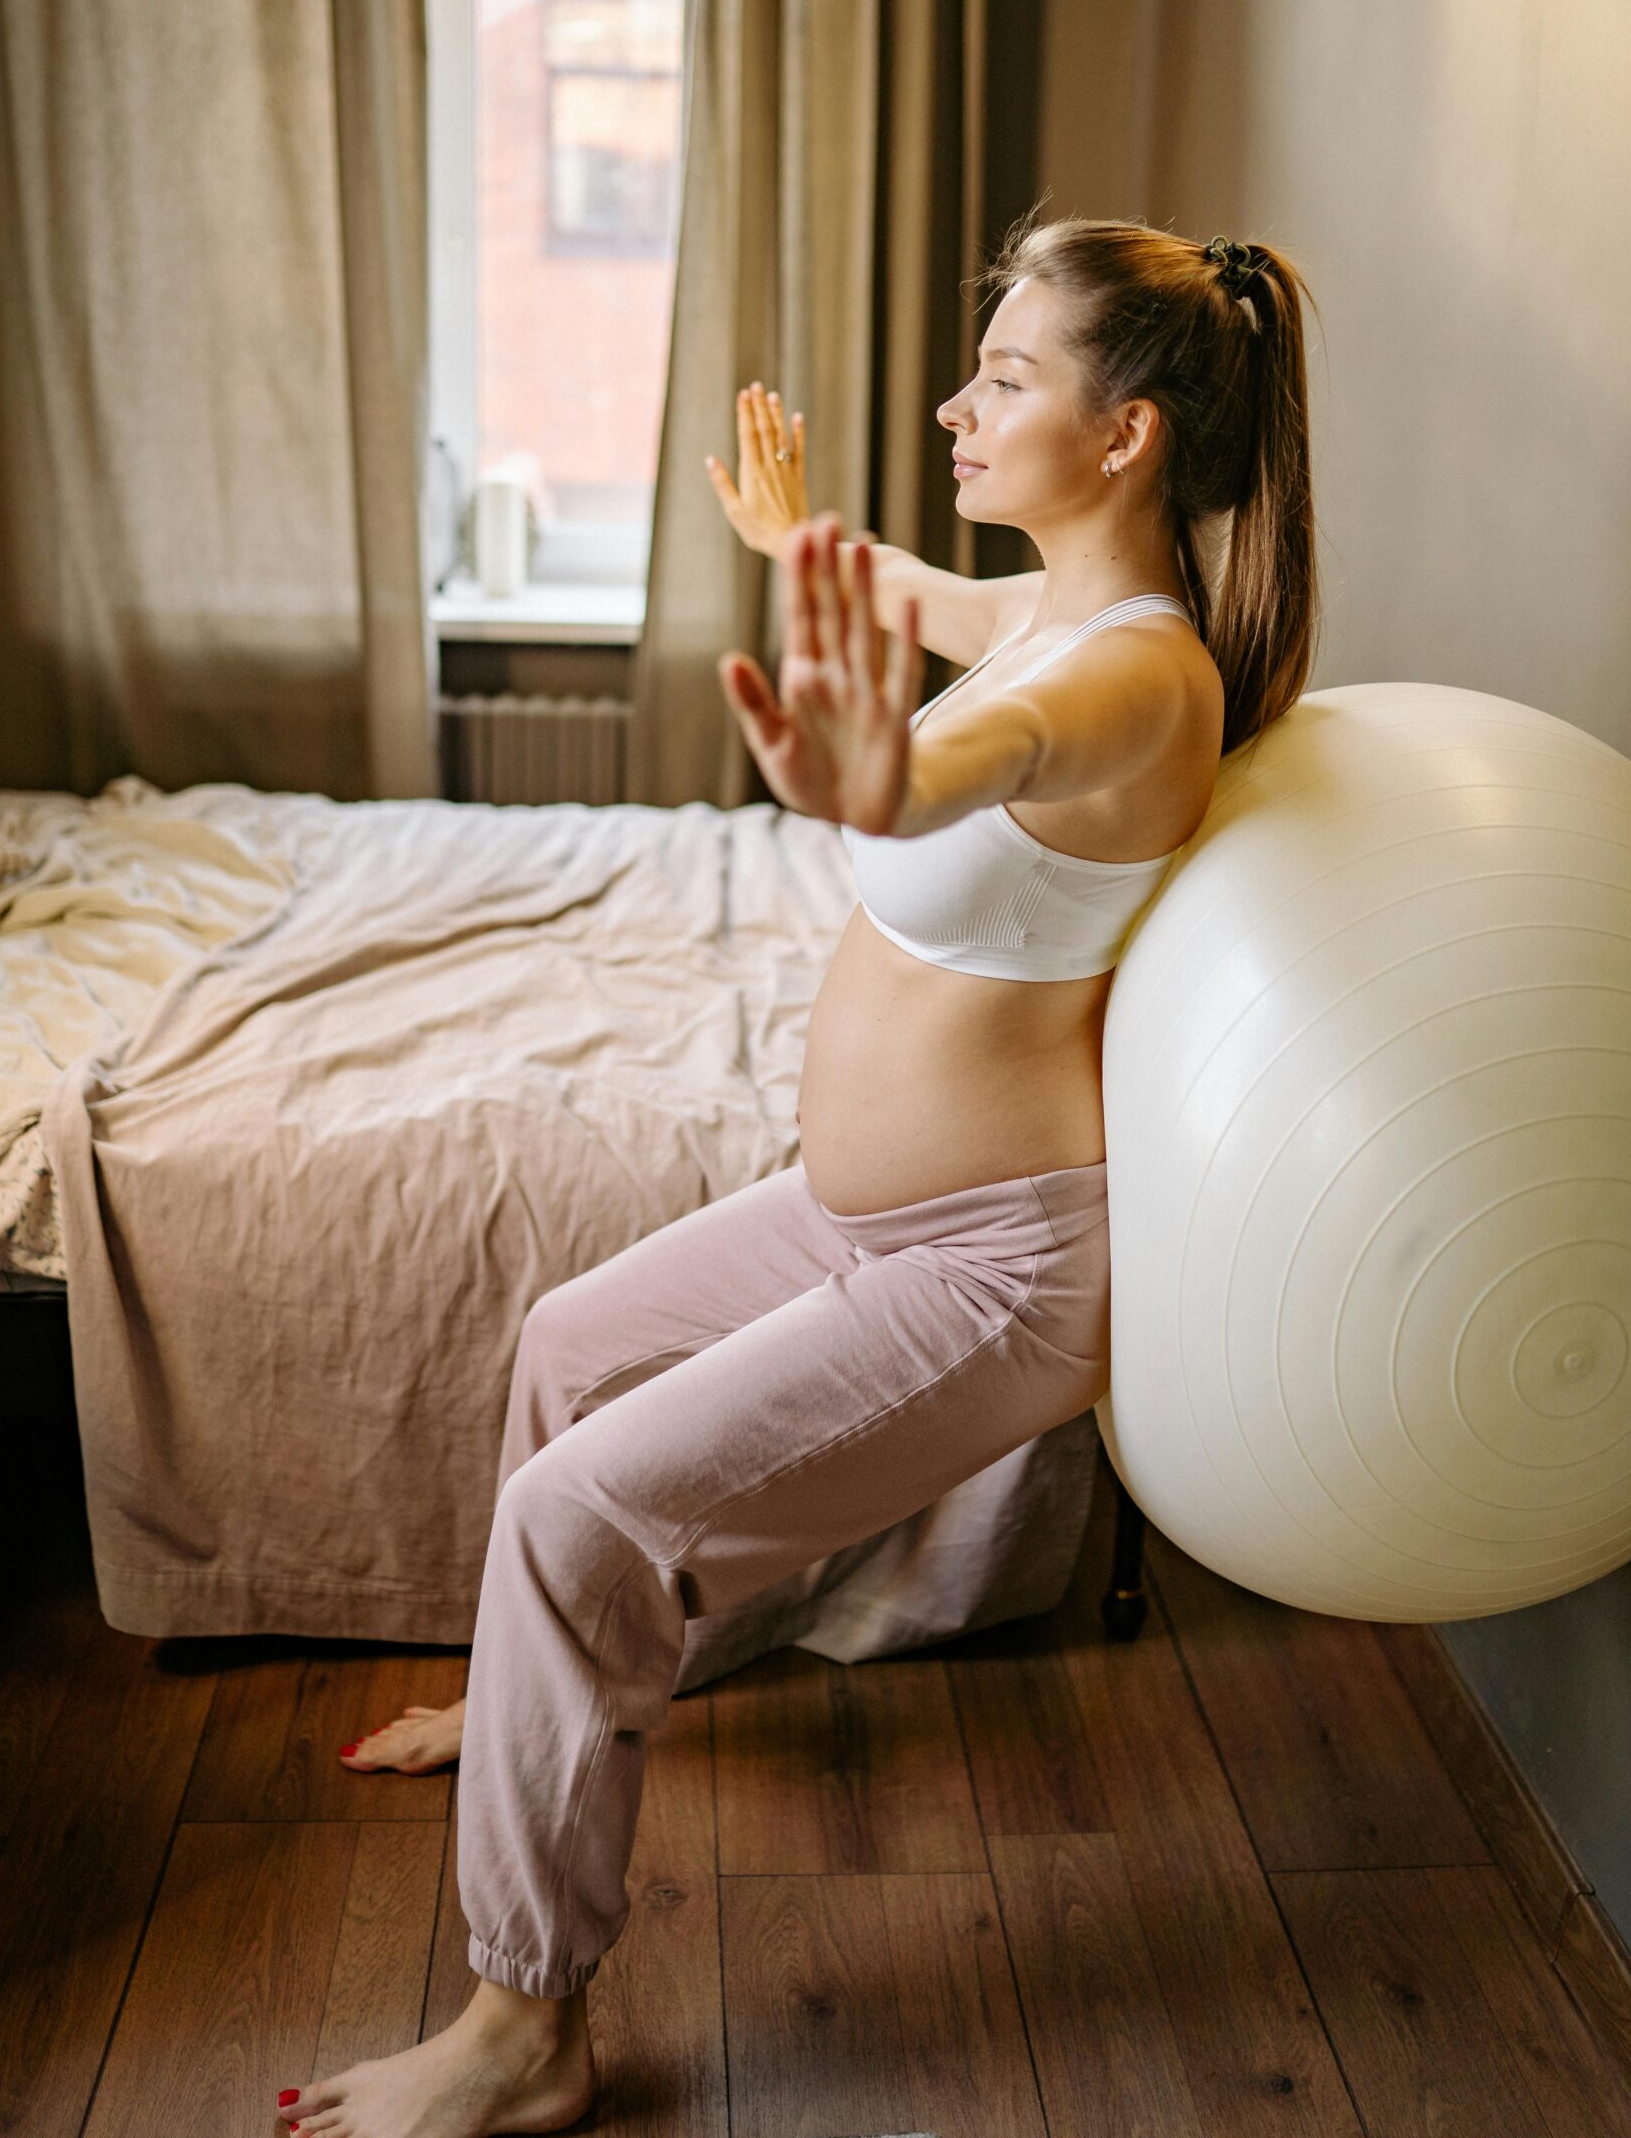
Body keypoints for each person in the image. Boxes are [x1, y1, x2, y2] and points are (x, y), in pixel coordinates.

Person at [276, 216, 1319, 2138]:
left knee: (569, 1519)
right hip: (863, 1214)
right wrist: (794, 555)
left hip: (994, 1273)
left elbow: (974, 756)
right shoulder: (1049, 614)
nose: (958, 399)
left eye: (1005, 376)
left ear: (1128, 436)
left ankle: (526, 2029)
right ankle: (543, 1698)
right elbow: (932, 603)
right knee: (566, 1352)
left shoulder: (1135, 685)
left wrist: (877, 778)